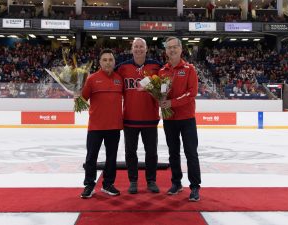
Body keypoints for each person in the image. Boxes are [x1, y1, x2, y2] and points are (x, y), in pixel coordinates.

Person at [116, 38, 162, 194]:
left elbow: (165, 84)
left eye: (141, 46)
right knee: (130, 152)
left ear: (146, 48)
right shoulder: (122, 67)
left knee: (152, 152)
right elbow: (110, 78)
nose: (138, 49)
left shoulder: (156, 66)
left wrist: (163, 95)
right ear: (131, 49)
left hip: (150, 118)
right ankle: (133, 181)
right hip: (129, 118)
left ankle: (151, 181)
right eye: (136, 46)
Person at [159, 37, 201, 201]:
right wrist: (160, 99)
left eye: (175, 47)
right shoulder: (162, 71)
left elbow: (192, 93)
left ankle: (195, 186)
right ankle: (176, 182)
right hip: (169, 120)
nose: (172, 50)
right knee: (173, 153)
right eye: (169, 48)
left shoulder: (189, 69)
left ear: (181, 49)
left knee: (191, 153)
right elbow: (162, 92)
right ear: (166, 51)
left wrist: (172, 103)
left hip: (187, 119)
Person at [80, 49, 123, 199]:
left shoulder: (120, 79)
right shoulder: (92, 79)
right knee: (91, 157)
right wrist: (76, 94)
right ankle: (89, 185)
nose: (108, 62)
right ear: (100, 62)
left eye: (110, 60)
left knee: (111, 158)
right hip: (96, 127)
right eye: (104, 60)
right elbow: (82, 100)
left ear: (114, 62)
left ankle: (108, 184)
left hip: (114, 126)